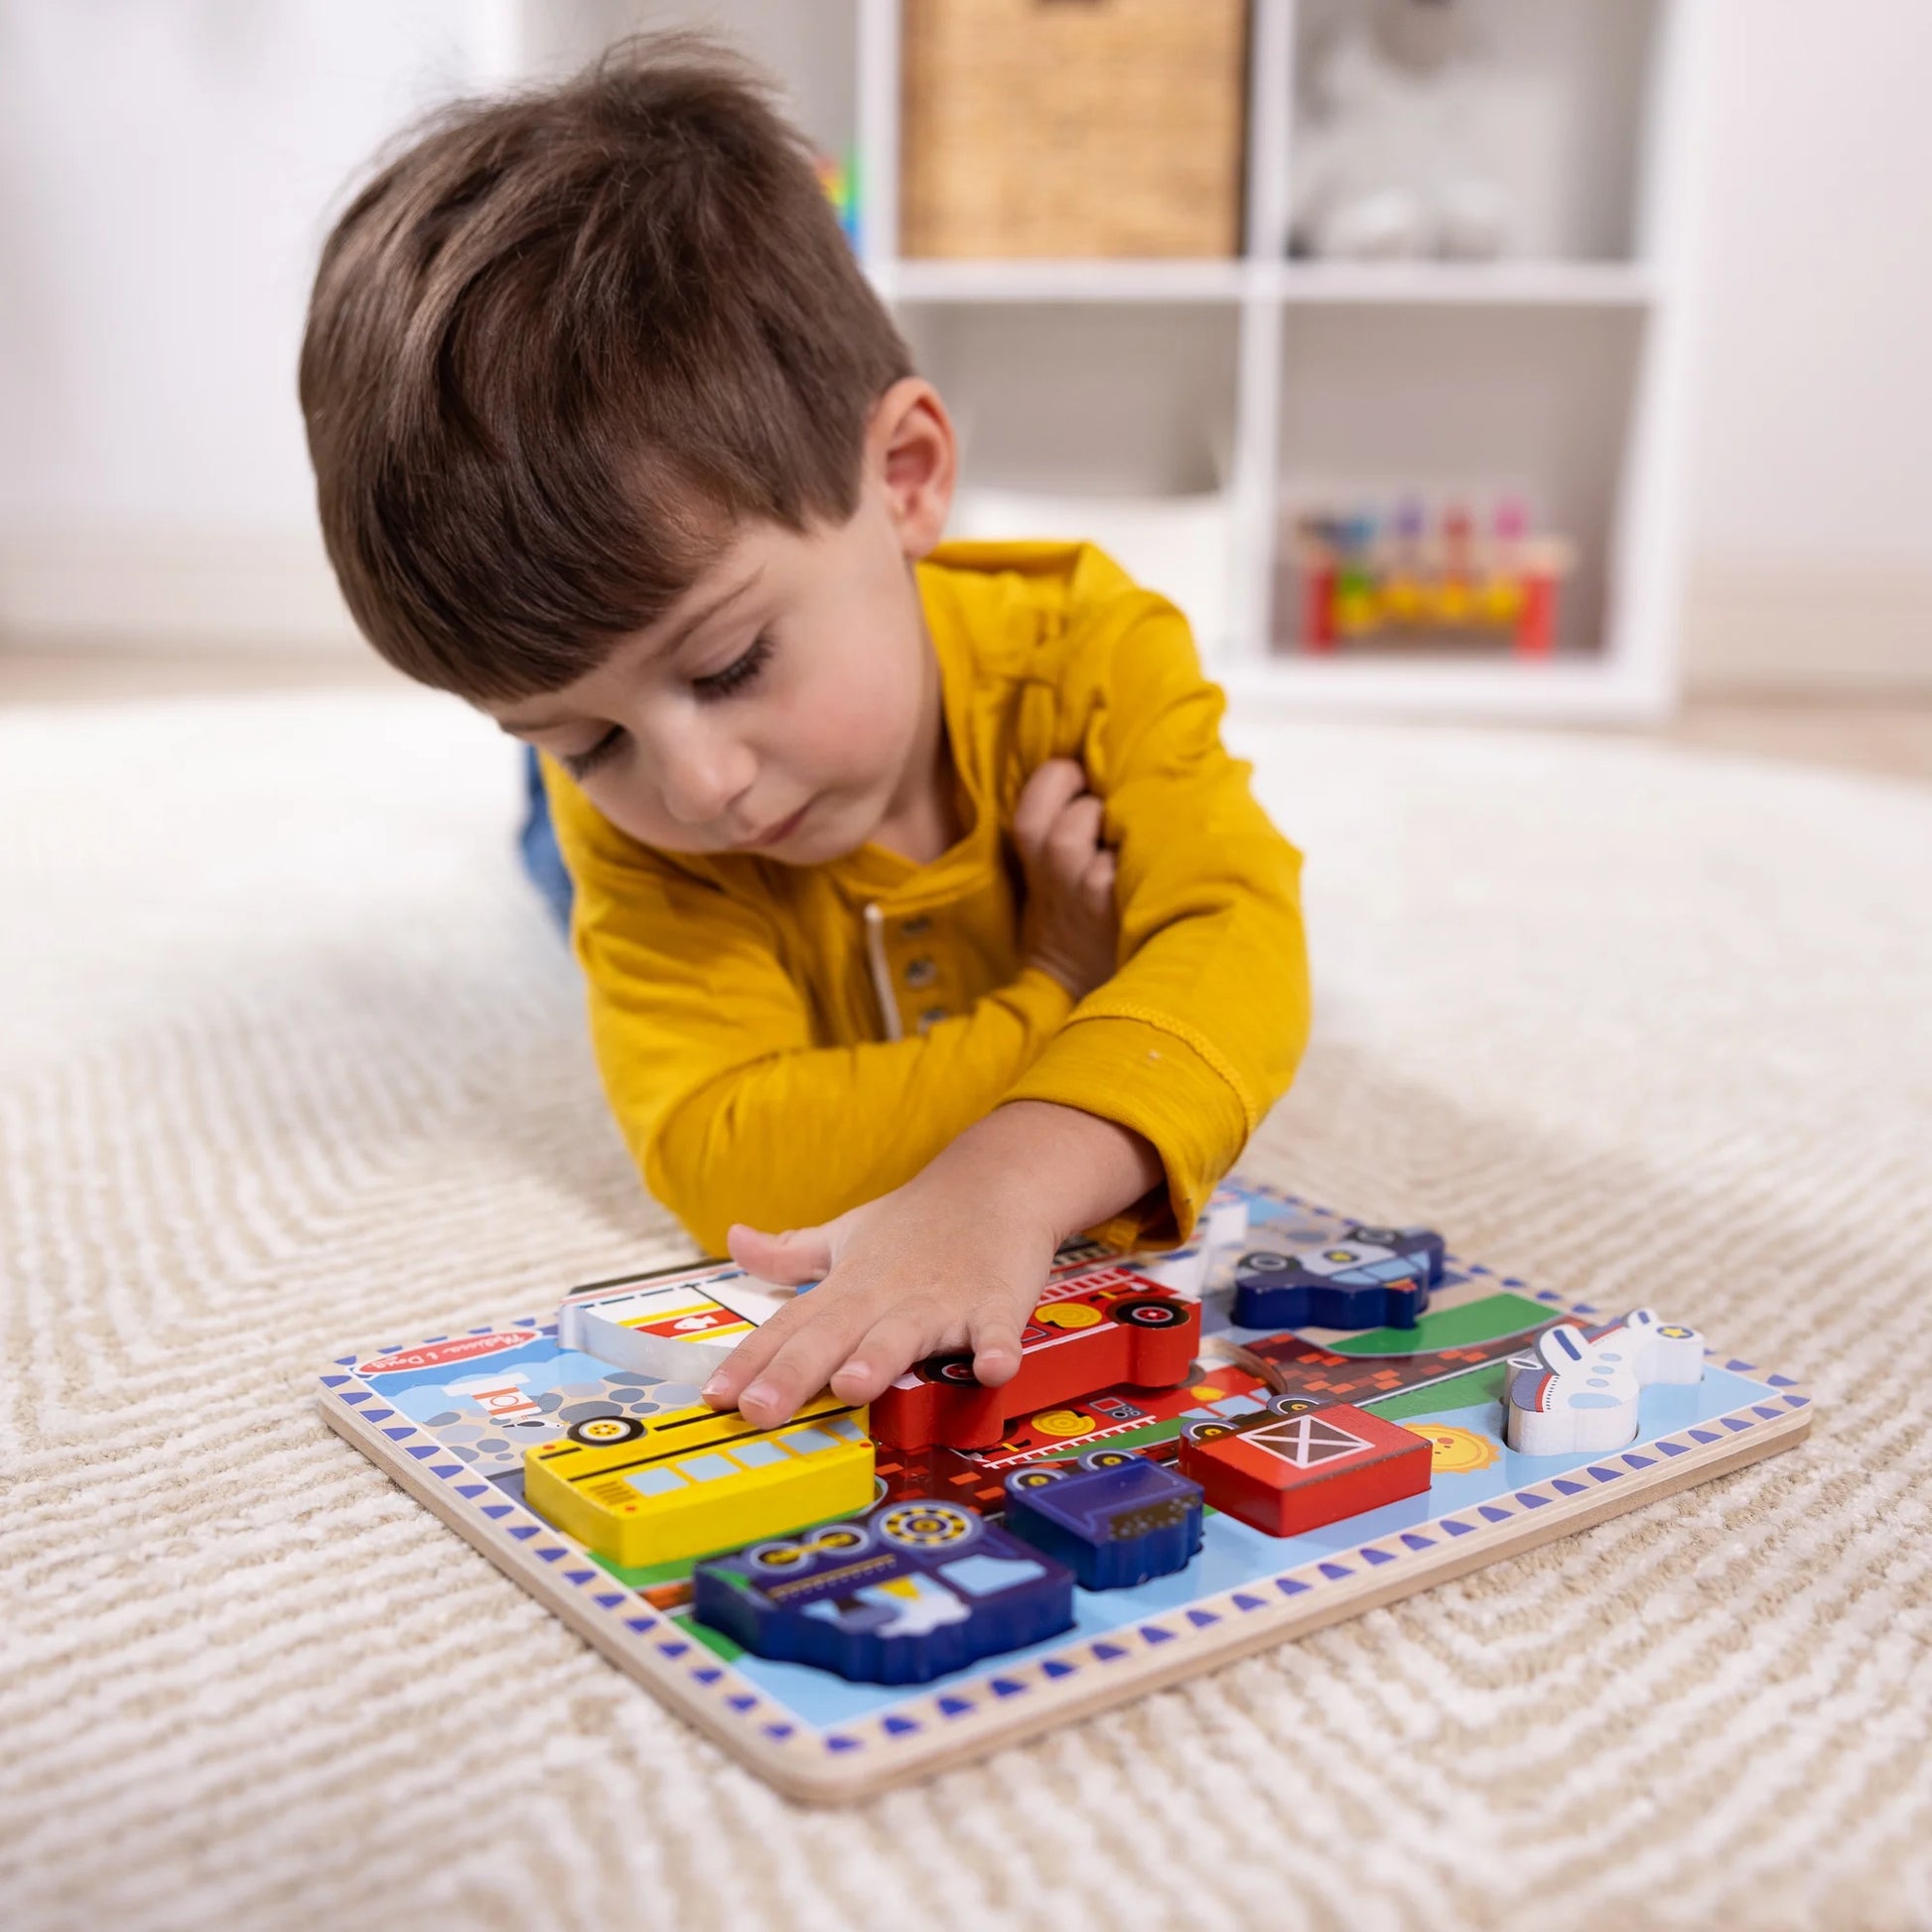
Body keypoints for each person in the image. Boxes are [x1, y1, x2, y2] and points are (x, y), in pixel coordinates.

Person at [299, 36, 1310, 1433]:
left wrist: (1008, 1174)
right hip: (632, 872)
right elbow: (731, 1164)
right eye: (582, 735)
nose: (699, 785)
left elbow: (1243, 944)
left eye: (729, 663)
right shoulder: (640, 815)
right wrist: (1060, 991)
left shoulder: (1094, 650)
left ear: (905, 478)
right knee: (561, 857)